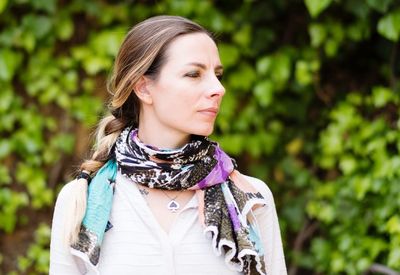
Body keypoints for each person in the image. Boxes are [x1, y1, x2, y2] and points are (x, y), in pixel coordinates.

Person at [49, 15, 287, 275]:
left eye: (217, 75)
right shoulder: (83, 201)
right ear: (143, 88)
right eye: (194, 74)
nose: (218, 88)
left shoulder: (250, 199)